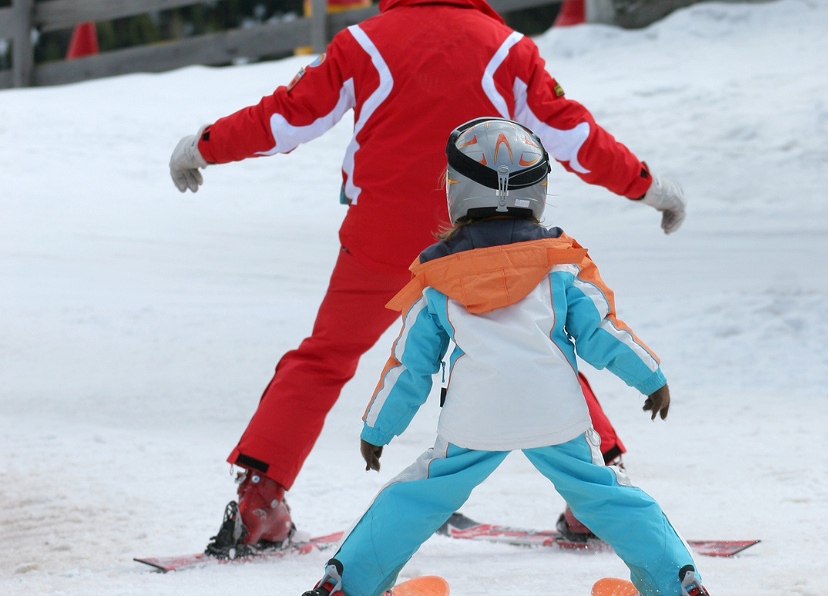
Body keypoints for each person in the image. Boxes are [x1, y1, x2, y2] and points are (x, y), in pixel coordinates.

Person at [168, 0, 687, 555]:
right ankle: (597, 499)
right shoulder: (509, 49)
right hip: (485, 238)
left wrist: (204, 145)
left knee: (324, 356)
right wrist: (646, 184)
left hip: (381, 235)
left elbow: (287, 117)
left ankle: (260, 501)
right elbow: (572, 136)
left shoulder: (361, 42)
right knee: (539, 343)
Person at [300, 118, 708, 596]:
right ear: (538, 190)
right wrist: (650, 376)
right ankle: (676, 584)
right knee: (606, 496)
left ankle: (347, 584)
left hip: (475, 416)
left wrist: (378, 428)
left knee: (414, 498)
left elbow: (411, 365)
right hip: (555, 412)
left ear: (456, 190)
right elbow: (602, 332)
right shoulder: (561, 263)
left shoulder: (438, 276)